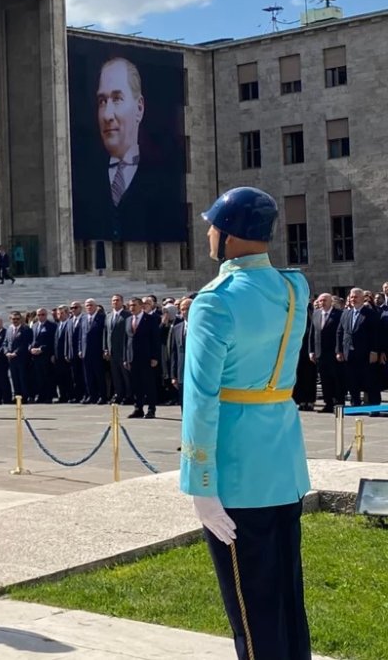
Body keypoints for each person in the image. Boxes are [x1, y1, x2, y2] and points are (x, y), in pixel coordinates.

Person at [180, 187, 311, 659]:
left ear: (231, 237)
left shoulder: (216, 301)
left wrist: (201, 482)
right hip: (284, 466)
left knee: (252, 614)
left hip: (236, 474)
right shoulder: (294, 287)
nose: (210, 234)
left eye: (214, 226)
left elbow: (200, 397)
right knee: (286, 602)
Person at [73, 56, 176, 242]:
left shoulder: (164, 179)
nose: (107, 115)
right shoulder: (82, 180)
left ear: (139, 108)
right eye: (102, 101)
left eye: (117, 99)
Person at [126, 296, 161, 418]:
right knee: (136, 385)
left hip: (147, 358)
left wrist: (155, 357)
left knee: (149, 384)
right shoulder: (128, 320)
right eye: (130, 305)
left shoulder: (150, 319)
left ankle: (151, 409)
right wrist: (126, 358)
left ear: (141, 306)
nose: (132, 308)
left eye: (134, 305)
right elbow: (127, 340)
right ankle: (138, 408)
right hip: (133, 358)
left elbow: (155, 339)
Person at [309, 293, 342, 413]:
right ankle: (328, 403)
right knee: (324, 380)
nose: (322, 303)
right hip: (320, 354)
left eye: (324, 300)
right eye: (320, 300)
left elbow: (340, 334)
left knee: (336, 379)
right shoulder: (316, 314)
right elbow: (312, 334)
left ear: (330, 301)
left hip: (333, 353)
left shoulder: (338, 314)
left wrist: (339, 350)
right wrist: (311, 351)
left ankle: (338, 402)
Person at [103, 294, 131, 404]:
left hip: (123, 351)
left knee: (126, 376)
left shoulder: (127, 315)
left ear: (122, 302)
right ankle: (119, 395)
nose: (115, 302)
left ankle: (128, 396)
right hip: (112, 352)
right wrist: (105, 348)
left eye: (117, 300)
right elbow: (106, 333)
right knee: (116, 376)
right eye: (113, 301)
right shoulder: (108, 316)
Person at [80, 299, 107, 404]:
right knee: (88, 376)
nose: (89, 307)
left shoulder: (102, 318)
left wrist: (104, 349)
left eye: (91, 305)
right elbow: (81, 336)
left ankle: (102, 396)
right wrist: (80, 349)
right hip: (85, 352)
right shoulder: (84, 319)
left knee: (99, 375)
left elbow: (104, 335)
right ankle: (92, 395)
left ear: (95, 306)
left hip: (97, 351)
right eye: (87, 305)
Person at [167, 297, 191, 405]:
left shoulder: (201, 327)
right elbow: (174, 352)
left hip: (197, 371)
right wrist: (173, 375)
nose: (185, 312)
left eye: (188, 309)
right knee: (183, 401)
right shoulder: (177, 328)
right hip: (181, 371)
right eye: (182, 309)